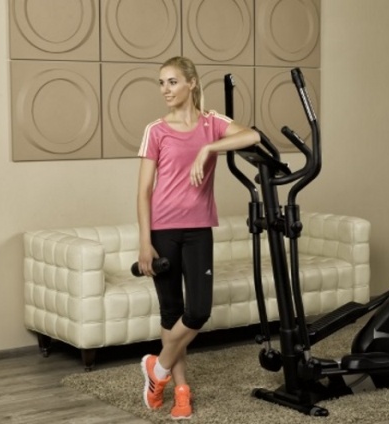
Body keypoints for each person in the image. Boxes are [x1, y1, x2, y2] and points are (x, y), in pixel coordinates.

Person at [136, 56, 260, 420]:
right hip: (162, 230)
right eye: (161, 83)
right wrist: (145, 242)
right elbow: (143, 191)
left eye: (172, 82)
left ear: (191, 82)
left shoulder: (212, 123)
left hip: (199, 228)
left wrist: (209, 148)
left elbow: (252, 136)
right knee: (171, 311)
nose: (165, 90)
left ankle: (157, 368)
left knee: (198, 311)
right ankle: (181, 391)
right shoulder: (155, 130)